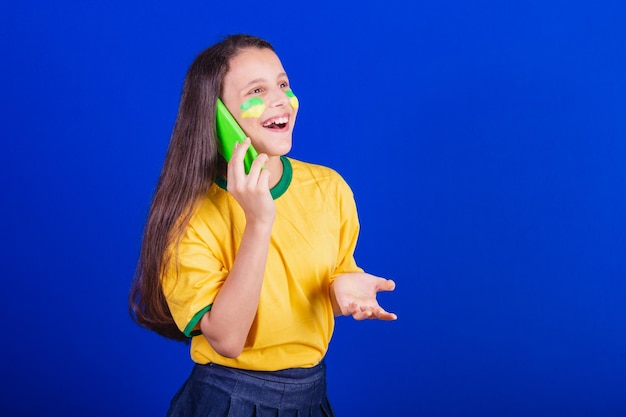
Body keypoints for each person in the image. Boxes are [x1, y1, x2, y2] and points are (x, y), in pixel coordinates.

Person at [129, 33, 397, 417]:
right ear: (218, 116)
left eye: (283, 84)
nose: (280, 100)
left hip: (311, 396)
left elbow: (302, 296)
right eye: (257, 90)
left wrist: (344, 289)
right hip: (227, 401)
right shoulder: (189, 218)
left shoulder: (329, 188)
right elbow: (227, 339)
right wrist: (258, 220)